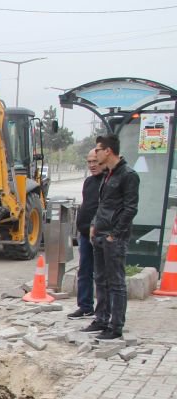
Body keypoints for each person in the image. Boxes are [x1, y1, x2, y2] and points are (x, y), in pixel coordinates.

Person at [83, 134, 139, 340]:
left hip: (114, 238)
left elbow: (130, 209)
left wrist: (115, 234)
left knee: (116, 283)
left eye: (98, 150)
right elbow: (103, 204)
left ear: (108, 151)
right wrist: (93, 225)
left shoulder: (128, 175)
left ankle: (115, 327)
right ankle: (101, 319)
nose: (95, 153)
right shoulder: (108, 175)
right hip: (100, 233)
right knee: (101, 279)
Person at [67, 149, 104, 318]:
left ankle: (103, 311)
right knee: (84, 270)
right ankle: (85, 305)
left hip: (100, 234)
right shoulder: (89, 182)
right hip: (84, 234)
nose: (92, 165)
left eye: (95, 161)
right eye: (89, 162)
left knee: (102, 274)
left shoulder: (108, 182)